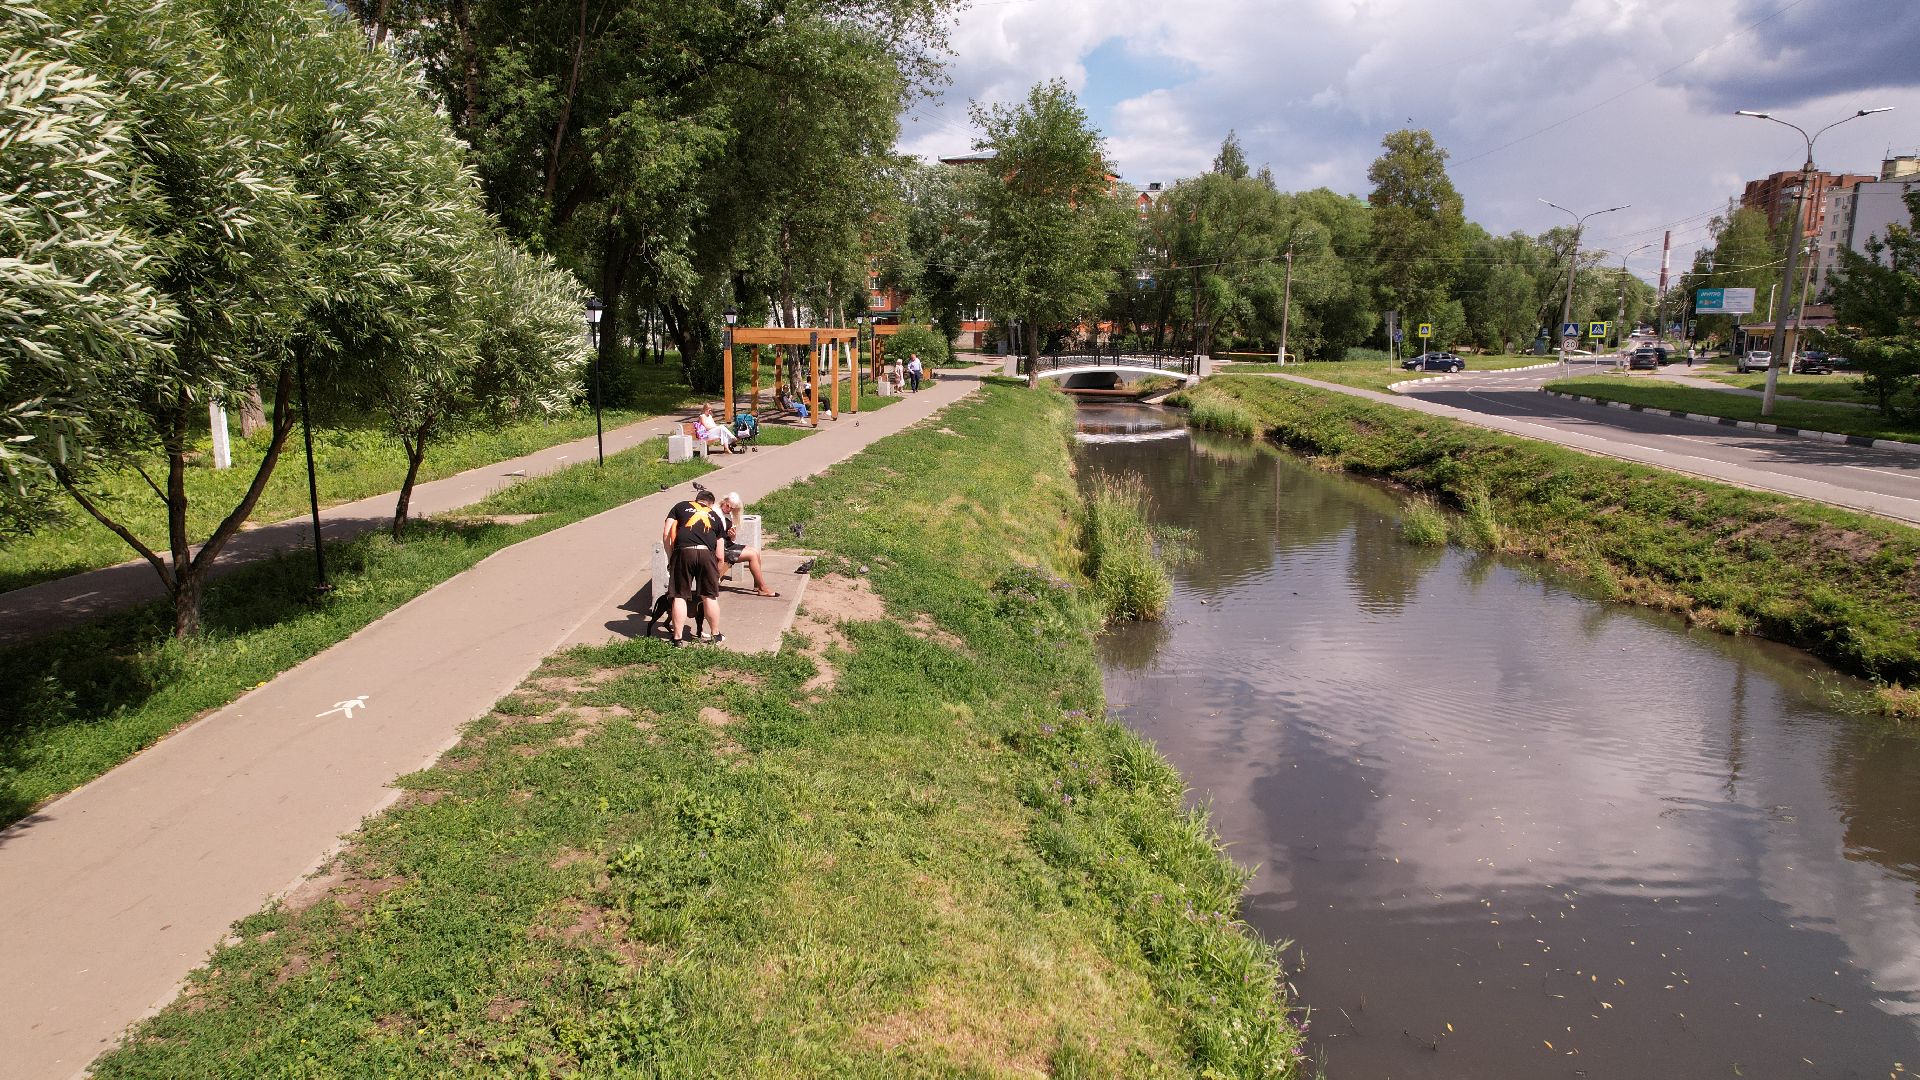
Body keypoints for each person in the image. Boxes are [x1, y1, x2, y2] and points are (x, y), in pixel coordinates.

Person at [662, 489, 724, 646]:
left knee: (679, 596)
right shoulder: (716, 517)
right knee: (709, 596)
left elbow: (666, 533)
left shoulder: (680, 506)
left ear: (696, 500)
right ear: (710, 505)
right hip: (706, 554)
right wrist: (717, 573)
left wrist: (671, 557)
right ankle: (715, 635)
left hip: (683, 552)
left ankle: (677, 639)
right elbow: (720, 554)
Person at [717, 492, 778, 597]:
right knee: (752, 555)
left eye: (732, 508)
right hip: (720, 547)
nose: (729, 509)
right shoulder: (716, 513)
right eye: (728, 506)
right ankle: (762, 587)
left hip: (727, 544)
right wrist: (727, 535)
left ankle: (757, 585)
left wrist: (732, 536)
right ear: (724, 501)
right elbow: (716, 535)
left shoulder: (729, 514)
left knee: (755, 551)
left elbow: (731, 537)